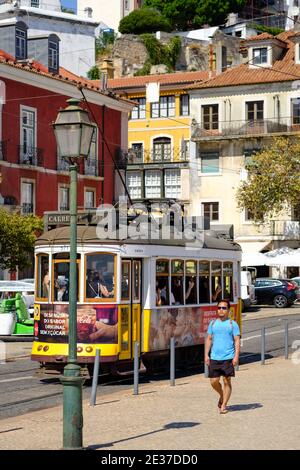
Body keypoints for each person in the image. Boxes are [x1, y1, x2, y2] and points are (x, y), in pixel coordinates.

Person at [205, 299, 240, 414]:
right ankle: (222, 395)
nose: (221, 310)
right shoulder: (213, 323)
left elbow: (237, 341)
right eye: (219, 308)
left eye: (224, 308)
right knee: (213, 382)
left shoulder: (232, 324)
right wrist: (206, 354)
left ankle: (223, 405)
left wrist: (236, 357)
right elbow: (209, 339)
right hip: (215, 357)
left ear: (228, 310)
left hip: (228, 357)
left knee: (226, 381)